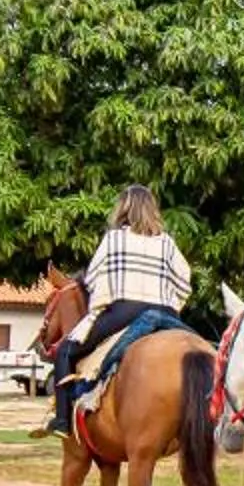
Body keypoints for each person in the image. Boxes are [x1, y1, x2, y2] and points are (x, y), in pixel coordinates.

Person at [46, 185, 194, 441]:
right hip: (165, 313)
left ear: (124, 208)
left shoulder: (113, 239)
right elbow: (184, 282)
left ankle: (62, 420)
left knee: (65, 352)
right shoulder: (167, 243)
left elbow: (92, 279)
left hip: (124, 311)